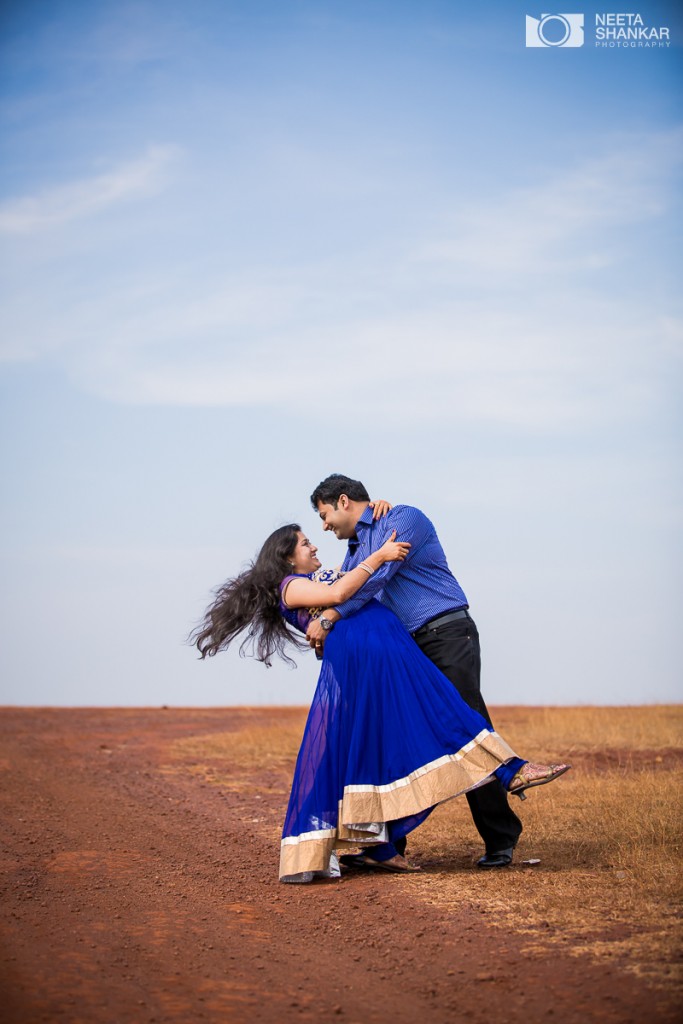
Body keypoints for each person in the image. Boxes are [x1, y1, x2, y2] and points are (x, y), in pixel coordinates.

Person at [192, 517, 570, 883]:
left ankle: (385, 846)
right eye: (306, 543)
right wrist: (381, 555)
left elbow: (347, 576)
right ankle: (510, 770)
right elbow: (341, 593)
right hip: (371, 652)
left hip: (381, 646)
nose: (314, 544)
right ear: (287, 557)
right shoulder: (290, 587)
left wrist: (377, 519)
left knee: (396, 735)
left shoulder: (311, 576)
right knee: (436, 711)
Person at [306, 474, 555, 870]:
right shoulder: (357, 550)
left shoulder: (404, 518)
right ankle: (386, 848)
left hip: (446, 634)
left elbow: (372, 584)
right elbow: (350, 584)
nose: (323, 526)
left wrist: (331, 616)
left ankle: (501, 837)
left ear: (343, 501)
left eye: (324, 515)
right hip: (407, 649)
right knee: (401, 738)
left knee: (466, 729)